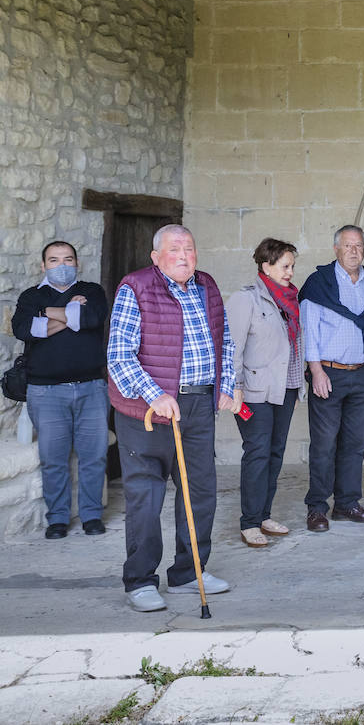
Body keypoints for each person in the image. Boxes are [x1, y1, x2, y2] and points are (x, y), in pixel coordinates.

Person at [106, 225, 236, 612]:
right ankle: (141, 580)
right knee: (146, 497)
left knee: (200, 493)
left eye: (189, 248)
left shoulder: (207, 286)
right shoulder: (137, 287)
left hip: (198, 407)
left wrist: (225, 383)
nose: (183, 255)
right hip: (147, 411)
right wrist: (155, 394)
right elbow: (119, 356)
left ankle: (188, 572)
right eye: (174, 248)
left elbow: (224, 341)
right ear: (156, 256)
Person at [12, 241, 109, 540]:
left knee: (94, 457)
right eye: (54, 260)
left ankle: (92, 515)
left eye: (67, 259)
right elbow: (25, 330)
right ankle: (57, 519)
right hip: (46, 392)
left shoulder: (92, 292)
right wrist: (68, 314)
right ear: (43, 266)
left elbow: (91, 319)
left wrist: (47, 315)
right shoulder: (31, 297)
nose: (61, 264)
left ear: (77, 262)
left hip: (92, 388)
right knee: (53, 459)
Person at [300, 225, 364, 533]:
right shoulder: (319, 283)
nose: (354, 251)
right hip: (329, 371)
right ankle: (317, 508)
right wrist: (316, 371)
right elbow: (308, 331)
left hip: (363, 372)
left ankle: (347, 503)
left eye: (359, 246)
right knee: (324, 444)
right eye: (348, 246)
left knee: (355, 442)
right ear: (336, 249)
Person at [226, 237, 304, 548]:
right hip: (254, 390)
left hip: (284, 387)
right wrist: (235, 388)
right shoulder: (247, 299)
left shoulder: (290, 301)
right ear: (266, 266)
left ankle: (263, 514)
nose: (290, 272)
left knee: (274, 452)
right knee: (257, 453)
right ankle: (249, 522)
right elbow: (231, 347)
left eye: (292, 266)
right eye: (285, 266)